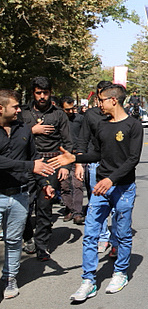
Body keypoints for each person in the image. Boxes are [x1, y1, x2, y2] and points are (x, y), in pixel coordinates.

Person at [49, 84, 143, 301]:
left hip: (123, 188)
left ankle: (120, 273)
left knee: (122, 233)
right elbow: (97, 154)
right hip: (101, 188)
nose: (98, 104)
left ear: (113, 100)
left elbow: (132, 160)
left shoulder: (133, 125)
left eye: (101, 100)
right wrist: (75, 158)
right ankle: (88, 280)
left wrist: (112, 180)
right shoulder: (101, 126)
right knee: (91, 234)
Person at [0, 89, 55, 299]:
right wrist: (29, 166)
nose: (18, 110)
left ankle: (10, 278)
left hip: (20, 196)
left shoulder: (24, 129)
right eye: (14, 106)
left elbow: (35, 159)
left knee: (14, 241)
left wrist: (44, 183)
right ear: (0, 108)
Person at [20, 76, 71, 261]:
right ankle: (28, 238)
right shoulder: (23, 114)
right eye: (38, 93)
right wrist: (32, 130)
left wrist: (66, 165)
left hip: (50, 163)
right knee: (23, 205)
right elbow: (12, 135)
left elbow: (68, 142)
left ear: (50, 93)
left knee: (45, 205)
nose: (42, 96)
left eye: (45, 93)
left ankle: (42, 245)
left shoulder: (58, 114)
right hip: (27, 164)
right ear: (33, 93)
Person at [77, 81, 115, 254]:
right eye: (99, 98)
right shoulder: (91, 115)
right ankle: (102, 236)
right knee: (97, 204)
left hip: (115, 165)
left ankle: (116, 240)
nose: (101, 103)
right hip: (94, 165)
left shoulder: (120, 115)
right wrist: (78, 162)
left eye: (104, 99)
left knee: (117, 205)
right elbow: (83, 139)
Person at [60, 96, 85, 224]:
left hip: (77, 155)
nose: (70, 112)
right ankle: (69, 208)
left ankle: (77, 212)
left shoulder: (80, 119)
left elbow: (84, 137)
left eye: (72, 109)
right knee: (64, 184)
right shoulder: (58, 120)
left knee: (78, 184)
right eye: (67, 109)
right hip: (63, 155)